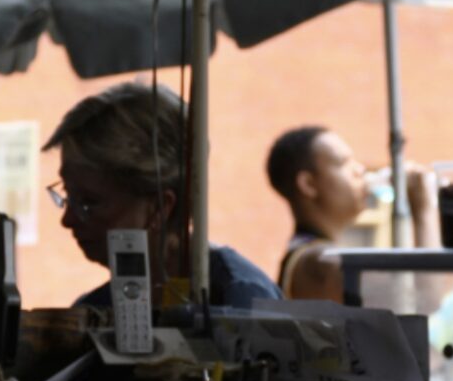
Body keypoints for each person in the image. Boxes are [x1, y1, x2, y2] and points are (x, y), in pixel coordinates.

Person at [43, 81, 281, 308]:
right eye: (66, 194)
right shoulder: (95, 309)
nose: (68, 220)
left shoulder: (240, 302)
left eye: (88, 202)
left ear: (160, 207)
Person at [266, 125, 439, 304]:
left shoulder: (316, 254)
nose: (360, 170)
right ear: (308, 184)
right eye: (343, 163)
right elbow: (422, 297)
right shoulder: (319, 263)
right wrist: (423, 210)